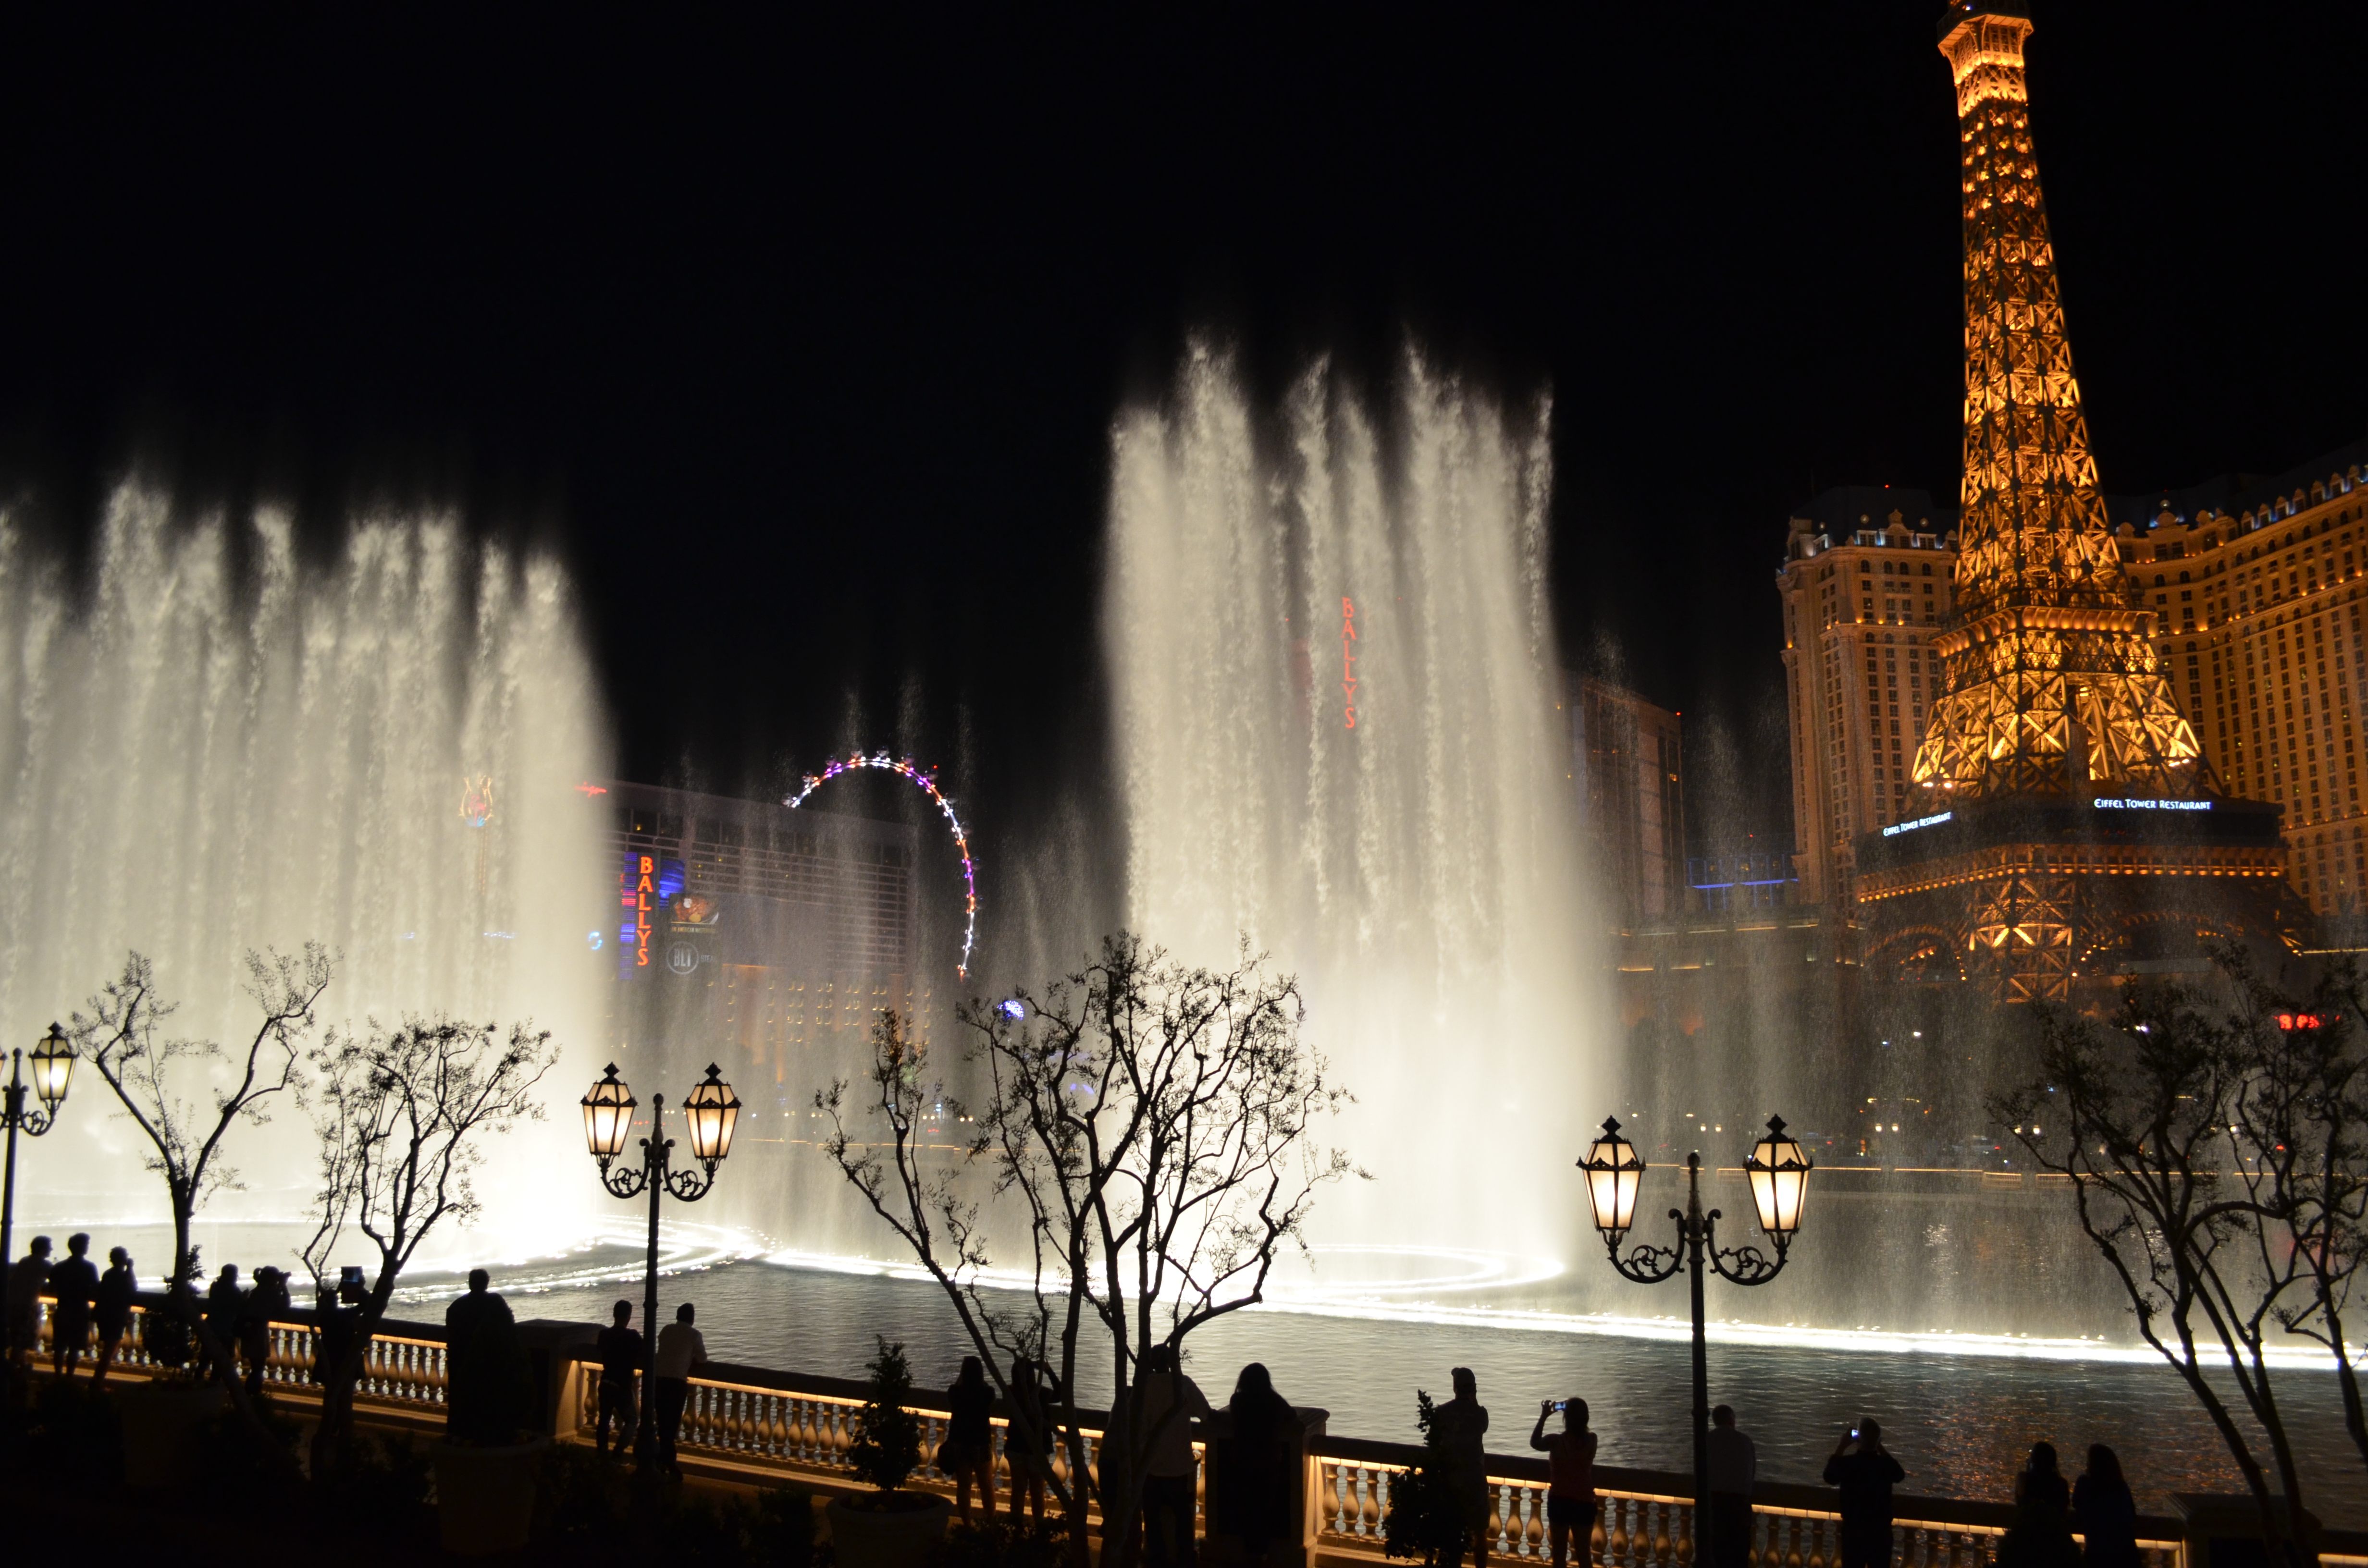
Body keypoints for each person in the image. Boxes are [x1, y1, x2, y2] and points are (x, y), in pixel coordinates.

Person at [1132, 1343, 1214, 1568]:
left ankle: (1156, 1559)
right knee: (1183, 1518)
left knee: (1152, 1519)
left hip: (1150, 1465)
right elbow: (1206, 1414)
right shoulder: (1182, 1384)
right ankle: (1186, 1558)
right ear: (1171, 1363)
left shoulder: (1144, 1387)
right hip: (1179, 1466)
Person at [1224, 1363, 1299, 1565]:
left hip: (1242, 1463)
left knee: (1246, 1509)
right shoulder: (1271, 1402)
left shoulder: (1237, 1401)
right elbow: (1291, 1415)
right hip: (1268, 1464)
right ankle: (1261, 1555)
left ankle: (1249, 1553)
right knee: (1264, 1511)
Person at [445, 1268, 527, 1442]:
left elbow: (452, 1332)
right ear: (487, 1282)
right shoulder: (495, 1302)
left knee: (464, 1405)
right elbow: (508, 1326)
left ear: (470, 1282)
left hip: (463, 1364)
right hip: (490, 1365)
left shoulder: (457, 1305)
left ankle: (460, 1435)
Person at [1822, 1420, 1905, 1568]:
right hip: (1881, 1533)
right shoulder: (1885, 1465)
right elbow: (1899, 1475)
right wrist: (1878, 1445)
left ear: (1857, 1439)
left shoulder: (1848, 1464)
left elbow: (1829, 1477)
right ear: (1879, 1440)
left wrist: (1841, 1446)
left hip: (1854, 1532)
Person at [1528, 1397, 1599, 1568]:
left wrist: (1544, 1416)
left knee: (1559, 1556)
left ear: (1566, 1418)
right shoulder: (1592, 1441)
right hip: (1584, 1502)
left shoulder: (1555, 1442)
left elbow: (1535, 1442)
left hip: (1560, 1501)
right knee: (1584, 1556)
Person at [1435, 1367, 1494, 1568]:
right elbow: (1482, 1426)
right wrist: (1474, 1397)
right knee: (1480, 1533)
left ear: (1455, 1388)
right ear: (1473, 1389)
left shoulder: (1441, 1413)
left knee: (1451, 1532)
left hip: (1451, 1481)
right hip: (1475, 1481)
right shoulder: (1480, 1415)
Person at [1998, 1444, 2079, 1568]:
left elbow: (2020, 1503)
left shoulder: (2024, 1479)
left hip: (2027, 1542)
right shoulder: (2061, 1484)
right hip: (2056, 1543)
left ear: (2033, 1460)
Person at [652, 1300, 708, 1476]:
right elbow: (703, 1359)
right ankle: (669, 1463)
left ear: (677, 1316)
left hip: (659, 1381)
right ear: (692, 1319)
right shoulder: (694, 1335)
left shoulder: (666, 1330)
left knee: (662, 1423)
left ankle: (663, 1461)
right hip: (677, 1384)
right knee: (672, 1424)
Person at [1005, 1353, 1061, 1525]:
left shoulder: (1010, 1392)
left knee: (1018, 1490)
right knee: (1037, 1490)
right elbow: (1061, 1394)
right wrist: (1049, 1371)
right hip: (1037, 1447)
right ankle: (1039, 1527)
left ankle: (1017, 1527)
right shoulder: (1041, 1394)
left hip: (1015, 1445)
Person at [941, 1355, 997, 1521]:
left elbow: (954, 1393)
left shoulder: (955, 1392)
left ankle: (966, 1523)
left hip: (960, 1442)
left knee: (964, 1486)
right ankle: (991, 1521)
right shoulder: (987, 1392)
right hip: (980, 1442)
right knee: (987, 1486)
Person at [1705, 1405, 1758, 1568]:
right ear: (1731, 1420)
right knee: (1739, 1554)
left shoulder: (1706, 1440)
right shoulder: (1745, 1441)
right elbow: (1752, 1473)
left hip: (1714, 1505)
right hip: (1739, 1506)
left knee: (1716, 1552)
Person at [2072, 1446, 2139, 1568]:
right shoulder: (2121, 1487)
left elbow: (2077, 1504)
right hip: (2127, 1556)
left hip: (2097, 1554)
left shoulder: (2085, 1484)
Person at [593, 1299, 643, 1456]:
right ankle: (618, 1452)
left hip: (606, 1382)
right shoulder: (632, 1336)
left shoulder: (604, 1334)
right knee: (632, 1420)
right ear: (629, 1317)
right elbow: (645, 1353)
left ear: (614, 1314)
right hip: (621, 1385)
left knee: (604, 1420)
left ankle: (602, 1454)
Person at [47, 1233, 99, 1379]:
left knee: (59, 1347)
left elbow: (52, 1288)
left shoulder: (59, 1267)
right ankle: (69, 1377)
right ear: (82, 1248)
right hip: (80, 1310)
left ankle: (58, 1376)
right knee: (75, 1348)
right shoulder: (89, 1267)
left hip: (63, 1309)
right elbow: (95, 1289)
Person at [4, 1235, 52, 1376]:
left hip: (13, 1304)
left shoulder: (25, 1261)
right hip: (27, 1306)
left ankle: (19, 1365)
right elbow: (57, 1280)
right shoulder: (44, 1264)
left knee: (16, 1338)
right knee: (22, 1340)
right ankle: (19, 1367)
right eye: (49, 1247)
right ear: (43, 1249)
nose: (51, 1249)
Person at [240, 1265, 290, 1396]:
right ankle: (252, 1395)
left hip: (249, 1330)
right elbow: (284, 1305)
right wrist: (283, 1286)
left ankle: (249, 1395)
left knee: (255, 1366)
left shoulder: (258, 1290)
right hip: (258, 1331)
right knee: (258, 1367)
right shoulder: (270, 1292)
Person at [92, 1248, 136, 1385]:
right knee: (109, 1352)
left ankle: (98, 1380)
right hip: (116, 1317)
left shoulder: (108, 1274)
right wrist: (130, 1269)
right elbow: (133, 1287)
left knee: (108, 1350)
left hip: (105, 1315)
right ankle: (97, 1382)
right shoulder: (122, 1275)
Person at [204, 1262, 245, 1379]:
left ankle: (201, 1381)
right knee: (223, 1357)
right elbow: (241, 1304)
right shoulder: (233, 1289)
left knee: (206, 1356)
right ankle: (215, 1382)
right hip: (226, 1328)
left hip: (211, 1325)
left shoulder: (216, 1286)